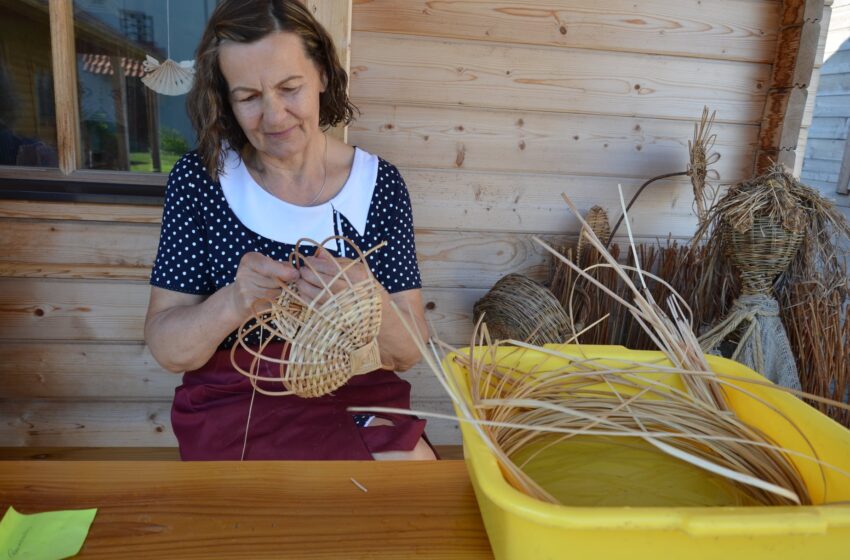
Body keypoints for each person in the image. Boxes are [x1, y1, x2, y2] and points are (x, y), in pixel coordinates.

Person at [144, 0, 435, 461]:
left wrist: (367, 297)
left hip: (351, 390)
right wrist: (235, 301)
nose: (275, 116)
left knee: (408, 469)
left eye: (289, 88)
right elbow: (167, 347)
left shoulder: (378, 185)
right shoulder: (203, 180)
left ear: (321, 73)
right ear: (226, 100)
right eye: (248, 97)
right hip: (236, 401)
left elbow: (407, 353)